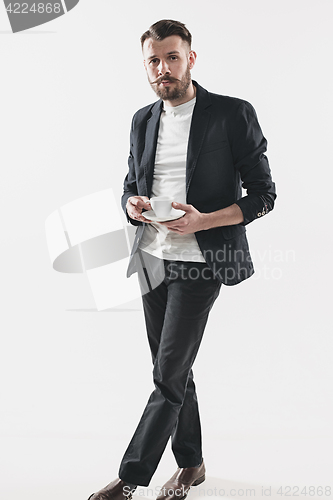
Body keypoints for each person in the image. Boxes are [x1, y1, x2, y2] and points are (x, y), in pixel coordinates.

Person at [87, 19, 276, 500]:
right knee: (174, 371)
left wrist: (203, 221)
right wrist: (131, 205)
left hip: (200, 261)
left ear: (191, 58)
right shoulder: (142, 120)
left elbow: (264, 195)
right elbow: (133, 182)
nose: (163, 68)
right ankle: (192, 464)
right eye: (154, 60)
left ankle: (130, 477)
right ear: (146, 66)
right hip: (151, 257)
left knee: (168, 374)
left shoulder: (232, 114)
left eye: (172, 57)